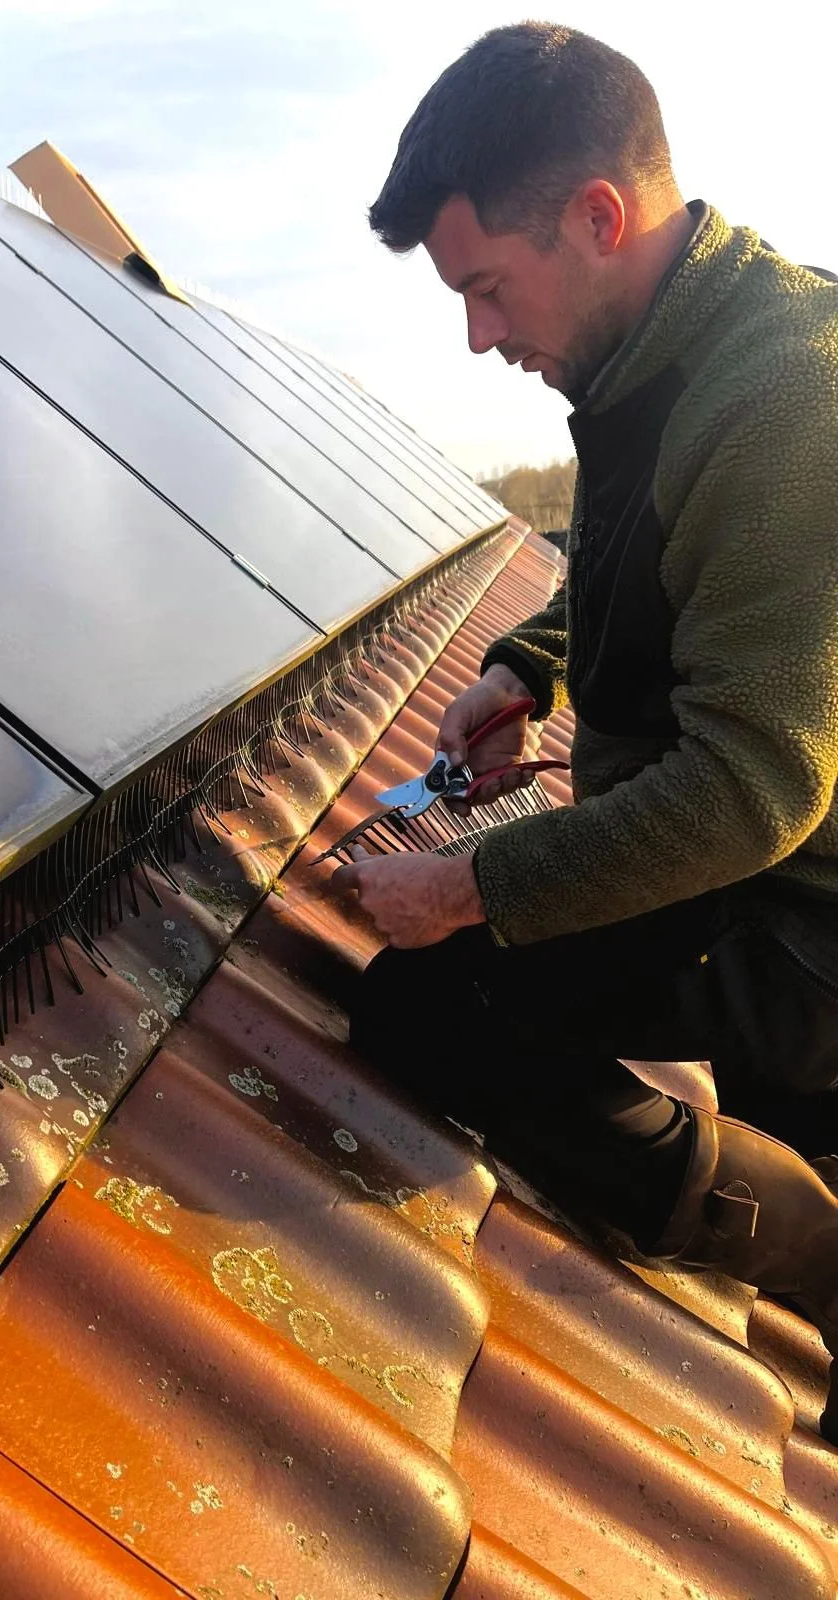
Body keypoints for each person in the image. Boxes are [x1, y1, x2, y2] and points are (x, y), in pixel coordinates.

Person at [335, 21, 838, 1437]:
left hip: (801, 919)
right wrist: (530, 667)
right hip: (767, 879)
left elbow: (752, 788)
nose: (480, 335)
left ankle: (811, 1245)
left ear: (599, 218)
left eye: (487, 288)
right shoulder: (651, 367)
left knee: (433, 996)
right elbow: (655, 573)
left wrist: (468, 884)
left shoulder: (786, 393)